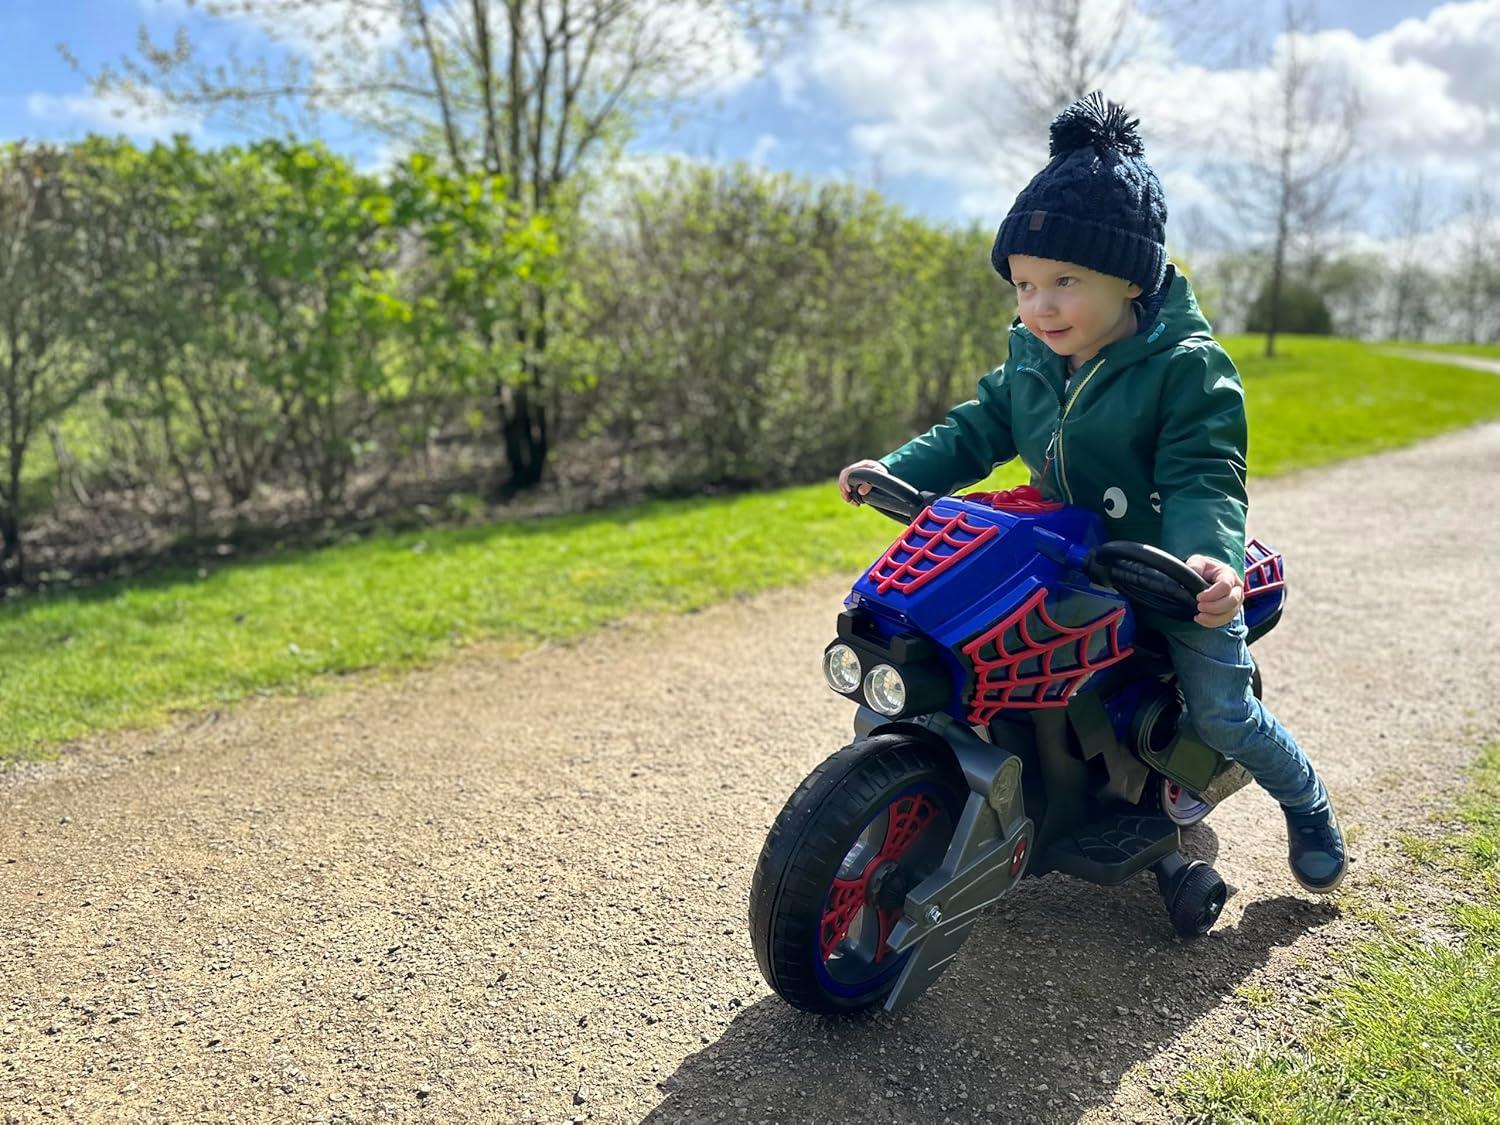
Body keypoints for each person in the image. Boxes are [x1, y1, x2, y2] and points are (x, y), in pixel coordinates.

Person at [838, 91, 1346, 892]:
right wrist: (904, 471)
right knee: (977, 654)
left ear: (1131, 282)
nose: (1039, 305)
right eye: (1024, 283)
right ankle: (1020, 790)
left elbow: (1204, 478)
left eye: (1065, 280)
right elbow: (976, 428)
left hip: (1164, 565)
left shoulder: (1189, 369)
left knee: (1222, 710)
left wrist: (1207, 565)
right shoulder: (1034, 356)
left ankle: (1307, 801)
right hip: (1067, 552)